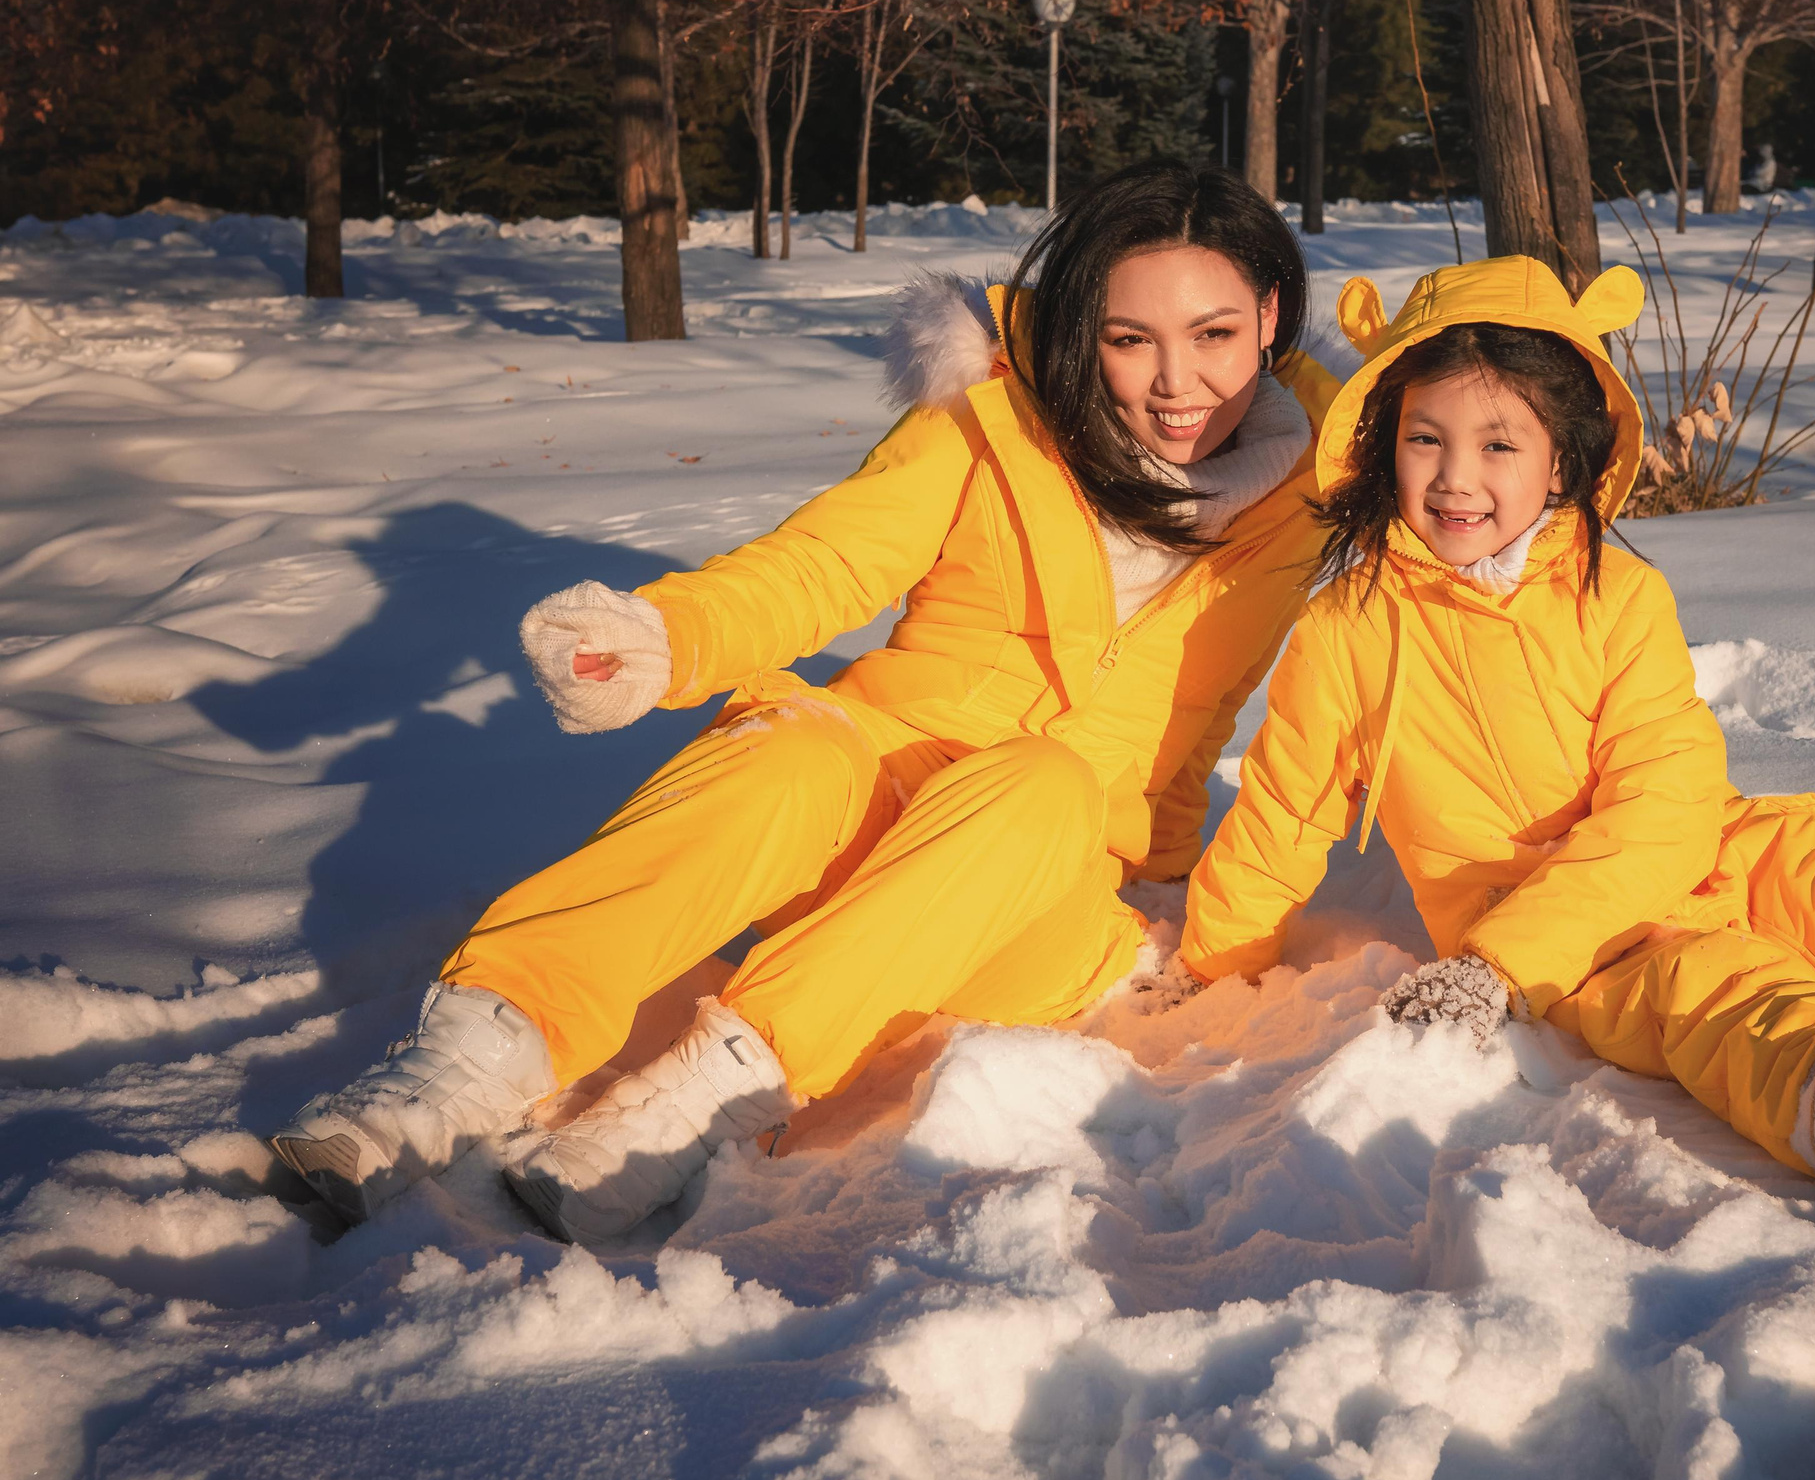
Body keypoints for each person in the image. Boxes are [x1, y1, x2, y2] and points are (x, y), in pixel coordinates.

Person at [271, 160, 1344, 1243]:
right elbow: (826, 563)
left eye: (1213, 334)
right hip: (872, 822)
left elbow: (1420, 610)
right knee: (790, 746)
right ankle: (467, 1059)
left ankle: (694, 1104)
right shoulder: (993, 423)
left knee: (1044, 782)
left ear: (1267, 317)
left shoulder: (1326, 490)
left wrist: (1207, 924)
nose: (1175, 382)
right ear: (1082, 330)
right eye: (1129, 338)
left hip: (1044, 904)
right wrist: (671, 636)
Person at [1172, 255, 1815, 1307]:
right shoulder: (1351, 628)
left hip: (1723, 852)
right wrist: (1214, 967)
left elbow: (1668, 796)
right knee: (1727, 1002)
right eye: (1426, 439)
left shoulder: (1617, 596)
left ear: (1559, 460)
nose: (1455, 477)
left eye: (1497, 444)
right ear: (1384, 443)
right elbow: (1281, 814)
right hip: (1573, 945)